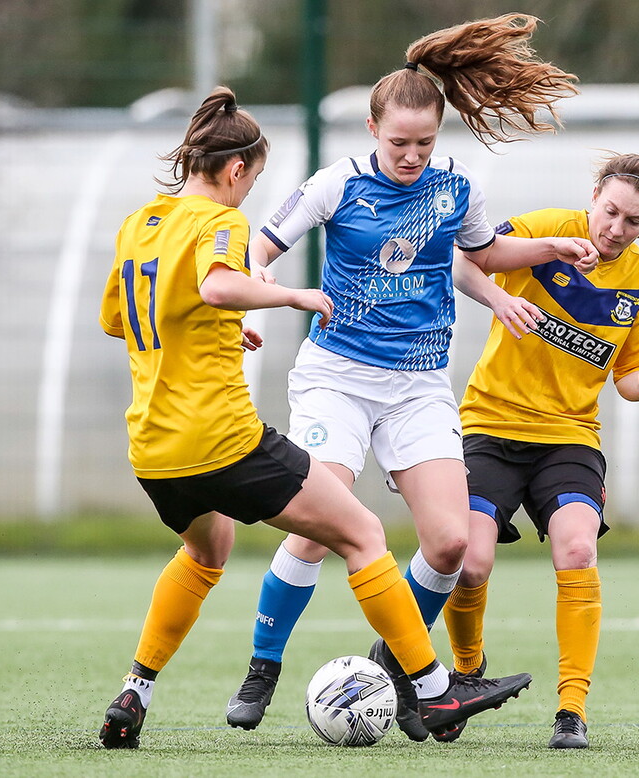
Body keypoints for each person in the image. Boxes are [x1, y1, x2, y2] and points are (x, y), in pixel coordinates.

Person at [96, 86, 534, 750]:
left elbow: (119, 318)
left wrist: (215, 327)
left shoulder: (139, 224)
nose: (413, 154)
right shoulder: (228, 221)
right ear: (238, 170)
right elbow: (219, 282)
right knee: (360, 535)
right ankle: (434, 688)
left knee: (206, 553)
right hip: (227, 440)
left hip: (154, 450)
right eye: (253, 179)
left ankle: (137, 688)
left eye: (425, 143)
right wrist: (291, 295)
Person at [225, 14, 597, 742]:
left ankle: (398, 662)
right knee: (316, 525)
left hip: (419, 386)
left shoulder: (456, 189)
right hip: (337, 376)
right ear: (372, 128)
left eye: (424, 142)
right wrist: (260, 292)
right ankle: (261, 669)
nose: (411, 154)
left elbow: (484, 254)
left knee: (452, 545)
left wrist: (554, 245)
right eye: (399, 142)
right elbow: (258, 247)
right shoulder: (336, 185)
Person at [442, 152, 639, 748]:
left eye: (633, 221)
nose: (615, 228)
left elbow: (625, 373)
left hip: (569, 437)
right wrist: (498, 299)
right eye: (611, 211)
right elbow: (464, 263)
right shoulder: (548, 230)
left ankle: (572, 712)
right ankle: (466, 674)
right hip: (490, 424)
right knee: (471, 561)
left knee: (577, 551)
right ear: (594, 195)